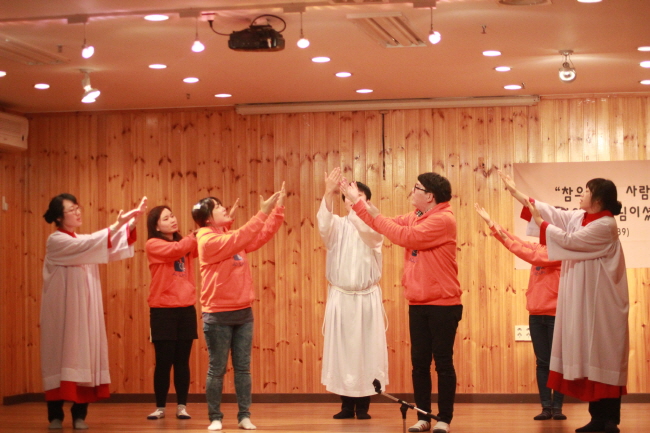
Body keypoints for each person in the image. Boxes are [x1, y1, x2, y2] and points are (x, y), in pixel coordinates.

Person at [500, 171, 629, 433]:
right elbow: (553, 213)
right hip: (587, 303)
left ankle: (609, 421)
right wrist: (517, 193)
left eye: (586, 191)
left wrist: (541, 223)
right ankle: (597, 419)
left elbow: (570, 241)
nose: (581, 195)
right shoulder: (581, 217)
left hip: (604, 305)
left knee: (605, 357)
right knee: (592, 358)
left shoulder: (605, 225)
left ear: (598, 200)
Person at [341, 173, 461, 433]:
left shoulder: (442, 219)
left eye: (417, 187)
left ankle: (444, 418)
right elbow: (383, 223)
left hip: (443, 304)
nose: (412, 190)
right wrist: (360, 205)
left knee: (443, 363)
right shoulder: (417, 215)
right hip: (418, 302)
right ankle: (424, 416)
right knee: (419, 364)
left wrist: (362, 205)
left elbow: (404, 236)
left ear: (429, 196)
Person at [41, 194, 146, 430]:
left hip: (86, 310)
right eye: (71, 210)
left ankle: (80, 415)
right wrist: (117, 224)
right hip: (63, 313)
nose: (78, 212)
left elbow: (109, 246)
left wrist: (132, 223)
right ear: (59, 217)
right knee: (60, 357)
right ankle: (55, 415)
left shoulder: (84, 240)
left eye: (78, 208)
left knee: (85, 355)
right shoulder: (56, 241)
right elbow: (92, 243)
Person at [192, 184, 285, 432]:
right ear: (207, 218)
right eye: (217, 207)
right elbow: (239, 237)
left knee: (243, 369)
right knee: (217, 369)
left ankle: (244, 415)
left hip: (243, 312)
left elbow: (259, 235)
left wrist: (277, 210)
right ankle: (215, 417)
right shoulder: (207, 239)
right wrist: (262, 212)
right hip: (217, 314)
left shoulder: (229, 237)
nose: (224, 208)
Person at [474, 203, 566, 421]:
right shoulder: (539, 247)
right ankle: (546, 407)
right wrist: (492, 224)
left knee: (558, 363)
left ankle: (558, 408)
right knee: (542, 362)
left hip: (556, 316)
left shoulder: (562, 251)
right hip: (536, 315)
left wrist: (502, 236)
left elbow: (526, 254)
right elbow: (516, 240)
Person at [317, 168, 388, 420]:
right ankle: (346, 405)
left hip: (366, 299)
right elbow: (324, 226)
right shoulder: (337, 225)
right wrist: (329, 192)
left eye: (358, 197)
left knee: (366, 352)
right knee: (343, 353)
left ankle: (364, 406)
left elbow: (370, 235)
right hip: (342, 297)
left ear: (366, 201)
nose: (352, 200)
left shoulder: (375, 224)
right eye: (347, 197)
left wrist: (357, 204)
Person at [145, 205, 200, 420]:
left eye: (172, 216)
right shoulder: (153, 244)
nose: (172, 220)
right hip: (162, 311)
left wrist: (215, 227)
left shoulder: (185, 243)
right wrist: (194, 235)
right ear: (156, 226)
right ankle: (160, 407)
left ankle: (182, 406)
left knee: (182, 362)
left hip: (186, 309)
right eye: (166, 218)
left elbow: (202, 246)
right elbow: (176, 250)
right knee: (163, 361)